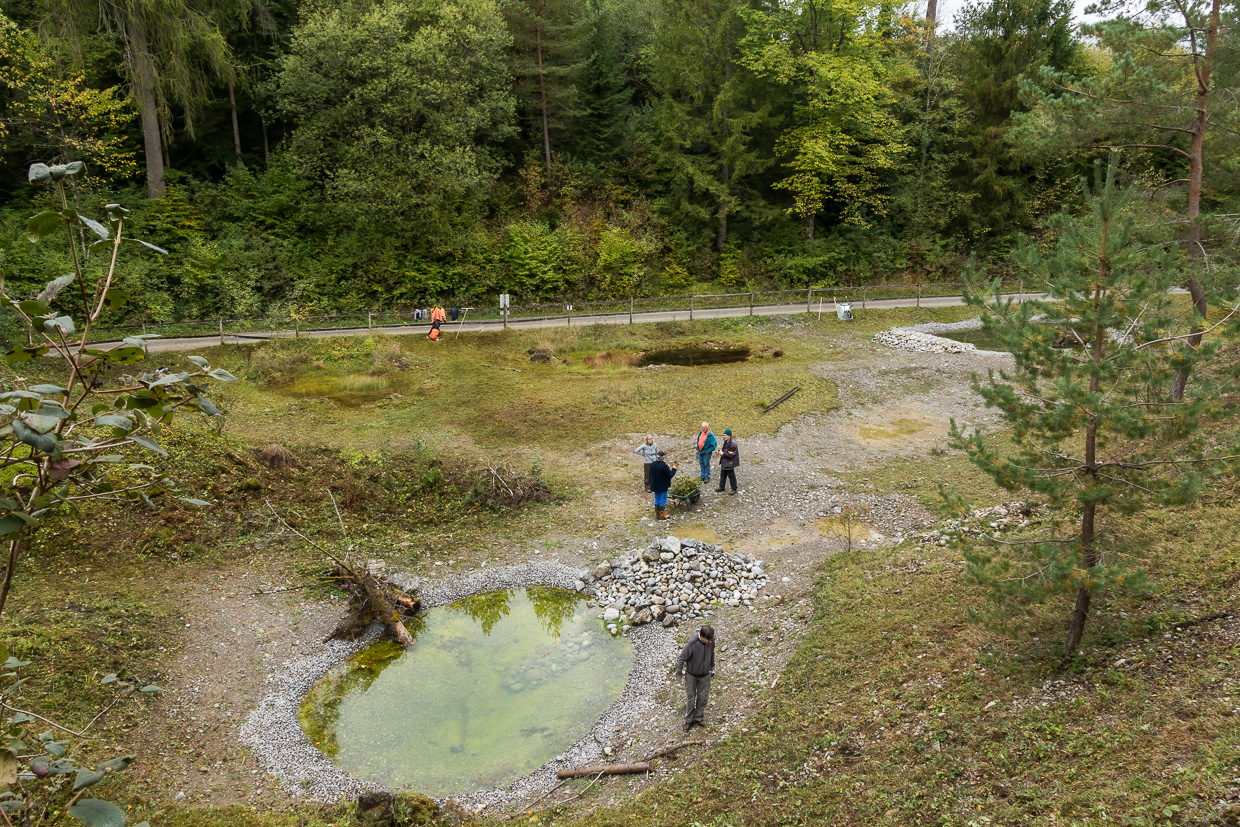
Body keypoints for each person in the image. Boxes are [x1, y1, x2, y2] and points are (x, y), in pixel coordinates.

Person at [673, 626, 715, 731]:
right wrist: (679, 673)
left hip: (705, 674)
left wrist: (712, 668)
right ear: (702, 636)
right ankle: (689, 720)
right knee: (691, 698)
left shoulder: (711, 641)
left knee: (703, 697)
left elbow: (712, 655)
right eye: (708, 640)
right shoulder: (691, 644)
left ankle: (698, 717)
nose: (710, 642)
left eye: (711, 639)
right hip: (691, 675)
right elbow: (681, 659)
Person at [648, 450, 676, 521]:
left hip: (655, 485)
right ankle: (662, 515)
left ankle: (657, 513)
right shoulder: (664, 465)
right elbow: (670, 475)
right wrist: (674, 468)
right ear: (663, 457)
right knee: (663, 499)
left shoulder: (653, 464)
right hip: (663, 486)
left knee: (657, 498)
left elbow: (650, 474)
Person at [717, 429, 739, 494]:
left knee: (731, 476)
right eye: (724, 435)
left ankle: (734, 489)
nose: (724, 437)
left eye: (725, 435)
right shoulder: (726, 441)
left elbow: (731, 455)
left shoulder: (732, 444)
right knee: (723, 474)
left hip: (730, 462)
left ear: (729, 436)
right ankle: (721, 486)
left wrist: (722, 453)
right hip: (725, 461)